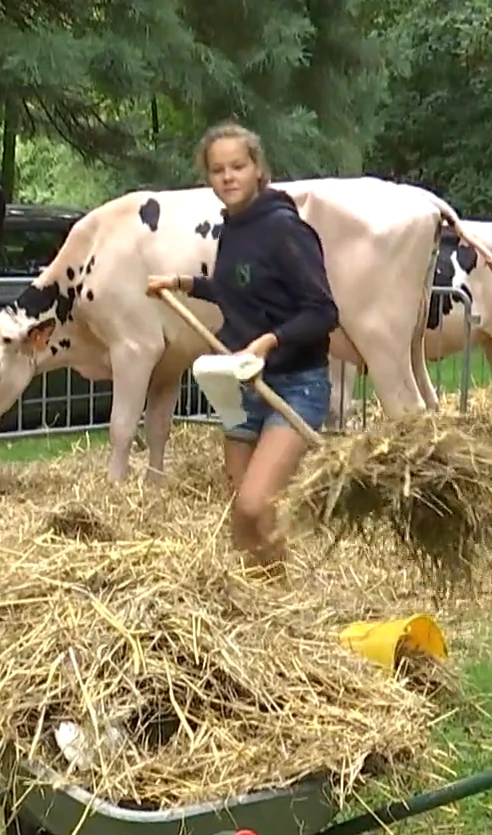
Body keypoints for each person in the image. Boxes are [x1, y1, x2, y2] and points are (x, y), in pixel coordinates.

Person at [146, 123, 340, 570]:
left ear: (258, 169)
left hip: (294, 386)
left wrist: (269, 343)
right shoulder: (231, 228)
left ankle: (277, 597)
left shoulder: (286, 230)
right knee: (240, 513)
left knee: (256, 503)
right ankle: (258, 595)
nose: (227, 177)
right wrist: (181, 283)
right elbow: (238, 289)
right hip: (240, 384)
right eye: (218, 170)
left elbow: (323, 311)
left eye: (237, 166)